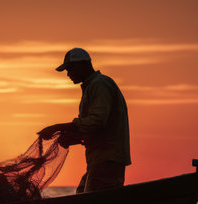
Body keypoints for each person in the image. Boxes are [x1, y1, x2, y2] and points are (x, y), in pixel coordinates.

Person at [38, 48, 131, 193]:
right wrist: (73, 139)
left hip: (107, 161)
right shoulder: (92, 86)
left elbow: (97, 122)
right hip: (99, 161)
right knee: (81, 194)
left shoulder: (99, 84)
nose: (68, 74)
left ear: (82, 64)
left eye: (70, 69)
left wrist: (57, 127)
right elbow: (97, 131)